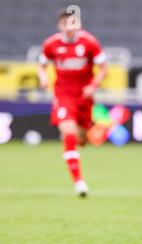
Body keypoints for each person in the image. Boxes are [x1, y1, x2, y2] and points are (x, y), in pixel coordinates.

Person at [38, 8, 108, 197]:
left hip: (85, 97)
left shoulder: (89, 42)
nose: (70, 28)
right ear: (60, 26)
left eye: (73, 24)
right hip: (63, 95)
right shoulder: (51, 44)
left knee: (82, 139)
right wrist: (43, 77)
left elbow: (104, 68)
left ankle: (76, 137)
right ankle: (79, 182)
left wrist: (93, 85)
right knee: (69, 133)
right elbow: (41, 65)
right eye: (66, 24)